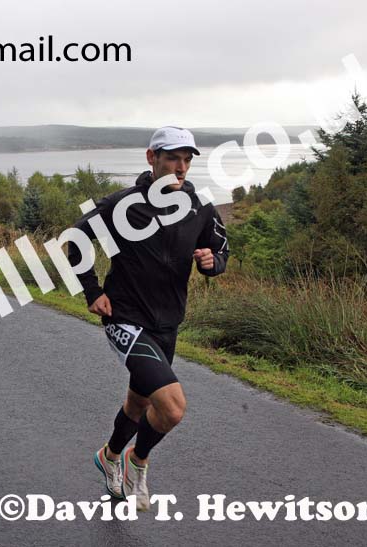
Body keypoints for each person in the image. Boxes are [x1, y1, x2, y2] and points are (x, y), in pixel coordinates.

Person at [68, 126, 229, 510]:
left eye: (187, 160)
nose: (181, 167)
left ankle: (109, 455)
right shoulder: (125, 205)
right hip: (124, 316)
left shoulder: (199, 208)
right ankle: (137, 461)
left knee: (139, 403)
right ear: (151, 158)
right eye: (173, 158)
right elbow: (74, 239)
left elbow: (220, 251)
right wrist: (93, 291)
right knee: (172, 408)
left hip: (168, 322)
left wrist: (212, 263)